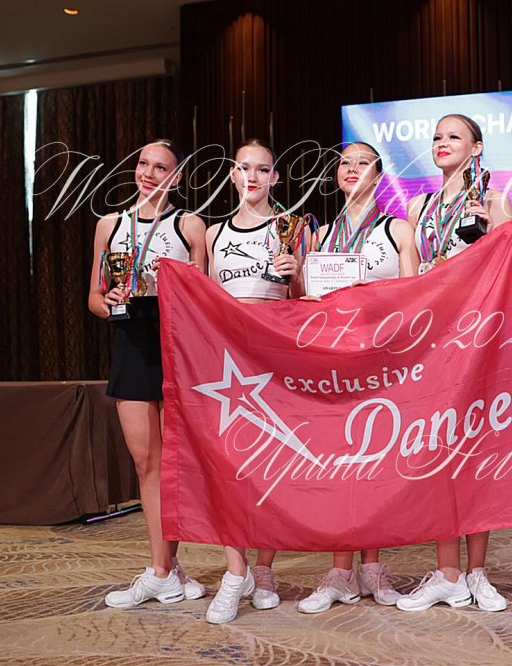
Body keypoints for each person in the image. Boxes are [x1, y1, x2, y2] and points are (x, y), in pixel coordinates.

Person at [396, 114, 512, 613]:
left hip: (477, 339)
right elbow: (408, 281)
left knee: (475, 452)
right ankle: (447, 574)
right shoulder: (417, 207)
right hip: (431, 342)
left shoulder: (494, 201)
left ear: (477, 147)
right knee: (438, 453)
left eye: (454, 137)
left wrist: (491, 233)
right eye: (437, 137)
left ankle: (477, 572)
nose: (442, 143)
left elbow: (510, 269)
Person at [296, 142, 419, 614]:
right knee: (338, 467)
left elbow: (415, 297)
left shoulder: (397, 229)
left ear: (379, 175)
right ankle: (339, 570)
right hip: (333, 366)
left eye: (362, 162)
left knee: (376, 467)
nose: (351, 169)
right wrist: (306, 294)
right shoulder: (321, 235)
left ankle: (372, 567)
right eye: (344, 163)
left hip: (382, 363)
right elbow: (306, 303)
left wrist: (378, 297)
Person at [87, 139, 207, 608]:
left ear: (176, 177)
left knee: (176, 464)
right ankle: (165, 569)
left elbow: (204, 294)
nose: (149, 173)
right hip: (131, 346)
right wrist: (110, 300)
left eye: (160, 167)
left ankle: (164, 569)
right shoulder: (110, 224)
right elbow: (94, 298)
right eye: (143, 164)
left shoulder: (189, 224)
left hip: (177, 348)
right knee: (145, 463)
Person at [198, 138, 309, 624]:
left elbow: (308, 300)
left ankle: (264, 569)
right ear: (232, 174)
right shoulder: (213, 233)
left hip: (274, 360)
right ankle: (234, 571)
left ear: (275, 178)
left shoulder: (293, 227)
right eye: (244, 168)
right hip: (226, 365)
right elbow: (201, 301)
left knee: (269, 466)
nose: (253, 177)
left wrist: (297, 274)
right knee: (227, 467)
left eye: (263, 169)